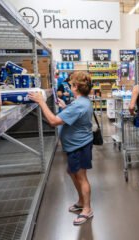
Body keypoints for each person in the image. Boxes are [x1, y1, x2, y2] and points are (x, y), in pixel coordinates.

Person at [28, 71, 94, 226]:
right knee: (72, 172)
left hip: (79, 146)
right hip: (77, 145)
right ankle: (81, 201)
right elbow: (75, 114)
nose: (70, 87)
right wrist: (65, 107)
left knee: (81, 176)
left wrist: (41, 102)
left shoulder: (79, 105)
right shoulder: (82, 100)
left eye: (71, 84)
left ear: (76, 86)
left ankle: (87, 209)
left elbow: (53, 121)